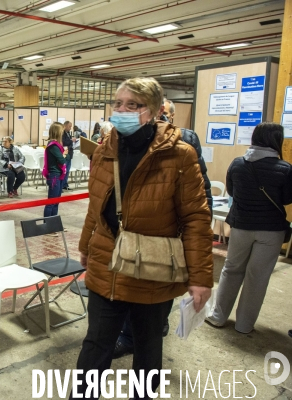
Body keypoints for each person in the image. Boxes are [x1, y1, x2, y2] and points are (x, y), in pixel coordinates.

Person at [73, 77, 213, 399]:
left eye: (132, 105)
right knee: (95, 345)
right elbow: (96, 206)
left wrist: (201, 277)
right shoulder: (105, 150)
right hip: (107, 263)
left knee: (148, 348)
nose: (121, 110)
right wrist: (85, 246)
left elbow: (195, 218)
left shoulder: (180, 155)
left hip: (153, 269)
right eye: (118, 104)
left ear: (152, 110)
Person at [112, 97, 214, 359]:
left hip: (167, 235)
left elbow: (201, 190)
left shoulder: (185, 141)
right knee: (131, 283)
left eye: (163, 113)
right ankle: (130, 335)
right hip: (132, 232)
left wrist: (200, 224)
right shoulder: (128, 139)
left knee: (160, 284)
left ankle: (154, 327)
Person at [205, 122, 292, 334]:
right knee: (258, 277)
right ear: (276, 141)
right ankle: (244, 325)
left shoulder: (237, 164)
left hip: (241, 226)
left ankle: (218, 317)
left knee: (231, 269)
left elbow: (231, 191)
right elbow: (287, 199)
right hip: (271, 231)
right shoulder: (285, 169)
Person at [42, 122, 67, 217]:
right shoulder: (53, 146)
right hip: (54, 175)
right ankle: (48, 223)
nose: (63, 133)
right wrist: (65, 155)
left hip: (59, 174)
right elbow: (62, 160)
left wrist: (64, 155)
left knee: (56, 201)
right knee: (51, 202)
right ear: (57, 132)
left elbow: (64, 158)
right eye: (61, 131)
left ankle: (54, 222)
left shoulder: (57, 145)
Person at [62, 121, 74, 191]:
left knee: (68, 170)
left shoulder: (68, 133)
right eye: (69, 126)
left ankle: (65, 184)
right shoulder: (62, 133)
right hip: (65, 153)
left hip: (69, 153)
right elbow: (64, 142)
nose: (70, 128)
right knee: (64, 170)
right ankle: (62, 184)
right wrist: (71, 140)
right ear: (65, 126)